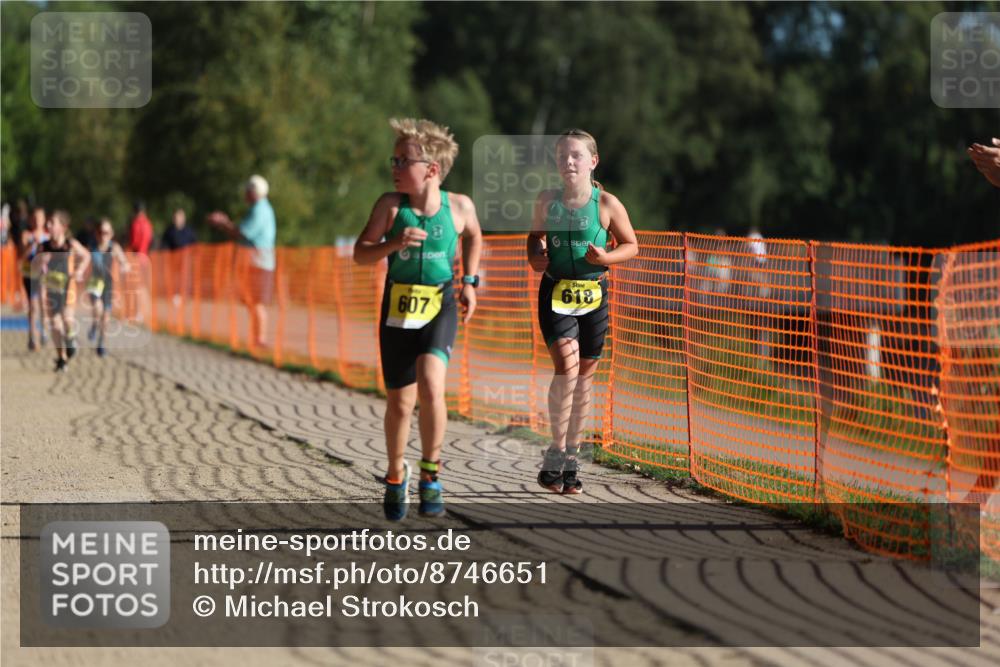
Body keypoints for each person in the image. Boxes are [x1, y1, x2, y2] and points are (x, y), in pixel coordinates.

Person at [354, 118, 482, 520]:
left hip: (439, 304)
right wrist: (392, 243)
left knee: (431, 386)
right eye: (393, 159)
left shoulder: (459, 206)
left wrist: (470, 281)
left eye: (402, 160)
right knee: (400, 401)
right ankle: (396, 475)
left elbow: (474, 235)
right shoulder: (391, 207)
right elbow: (361, 253)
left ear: (431, 169)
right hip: (398, 306)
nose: (393, 167)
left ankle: (431, 474)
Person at [527, 129, 638, 494]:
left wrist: (607, 258)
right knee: (567, 367)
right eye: (562, 156)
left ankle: (571, 457)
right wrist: (536, 253)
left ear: (592, 162)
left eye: (576, 156)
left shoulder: (605, 204)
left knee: (584, 377)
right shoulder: (547, 200)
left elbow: (631, 245)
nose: (568, 162)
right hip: (557, 291)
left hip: (594, 296)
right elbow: (535, 237)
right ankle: (556, 451)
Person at [207, 176, 276, 349]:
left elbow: (242, 233)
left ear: (253, 192)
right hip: (255, 262)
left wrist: (223, 222)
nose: (245, 194)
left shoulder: (260, 210)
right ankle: (256, 339)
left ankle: (260, 340)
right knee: (251, 301)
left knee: (256, 302)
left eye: (247, 191)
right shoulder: (258, 209)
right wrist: (225, 225)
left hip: (259, 263)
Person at [39, 211, 90, 372]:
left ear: (63, 227)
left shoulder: (70, 244)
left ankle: (71, 338)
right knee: (55, 324)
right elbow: (37, 266)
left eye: (52, 223)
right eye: (47, 223)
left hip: (68, 288)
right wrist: (42, 264)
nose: (48, 225)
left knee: (67, 319)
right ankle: (62, 358)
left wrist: (79, 270)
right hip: (52, 288)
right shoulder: (44, 245)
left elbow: (86, 256)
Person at [87, 218, 130, 357]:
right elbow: (83, 259)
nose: (103, 235)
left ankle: (101, 343)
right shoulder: (92, 246)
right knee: (97, 308)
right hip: (94, 282)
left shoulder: (114, 248)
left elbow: (124, 261)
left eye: (106, 232)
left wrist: (125, 266)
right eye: (100, 232)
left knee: (106, 316)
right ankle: (94, 324)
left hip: (107, 284)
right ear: (96, 234)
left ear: (111, 234)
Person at [18, 207, 50, 350]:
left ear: (44, 220)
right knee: (33, 305)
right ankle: (32, 336)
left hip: (43, 273)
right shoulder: (26, 235)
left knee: (43, 301)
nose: (37, 221)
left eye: (40, 218)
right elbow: (22, 257)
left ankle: (44, 330)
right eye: (35, 218)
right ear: (31, 220)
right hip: (29, 273)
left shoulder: (48, 236)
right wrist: (32, 245)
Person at [161, 208, 196, 308]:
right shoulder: (169, 231)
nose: (177, 219)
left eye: (179, 217)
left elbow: (194, 244)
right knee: (173, 278)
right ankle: (174, 295)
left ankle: (183, 296)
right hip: (172, 259)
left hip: (185, 259)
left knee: (184, 278)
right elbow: (164, 244)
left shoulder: (189, 231)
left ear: (183, 219)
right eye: (175, 217)